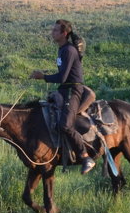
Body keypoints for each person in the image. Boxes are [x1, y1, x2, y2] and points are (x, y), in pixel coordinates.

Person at [31, 19, 96, 174]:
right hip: (64, 90)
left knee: (65, 125)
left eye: (55, 30)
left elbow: (63, 77)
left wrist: (43, 76)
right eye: (52, 30)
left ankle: (85, 156)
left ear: (64, 33)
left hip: (73, 90)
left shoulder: (68, 50)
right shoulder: (62, 49)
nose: (52, 33)